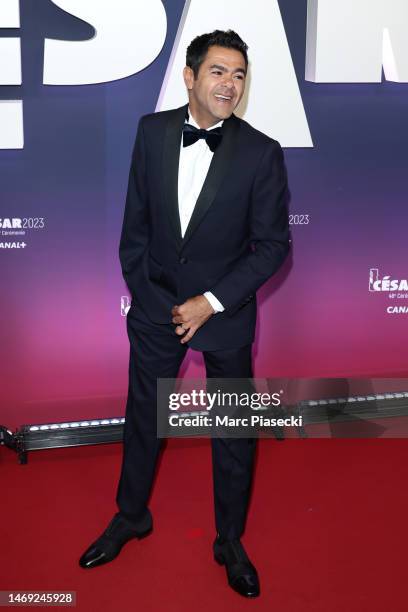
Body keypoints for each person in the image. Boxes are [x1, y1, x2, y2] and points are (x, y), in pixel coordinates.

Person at [79, 29, 290, 598]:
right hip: (155, 307)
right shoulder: (151, 134)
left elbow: (273, 247)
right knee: (143, 418)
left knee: (233, 431)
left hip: (224, 313)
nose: (230, 85)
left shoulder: (262, 152)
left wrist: (211, 303)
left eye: (240, 75)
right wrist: (153, 301)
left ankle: (229, 540)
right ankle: (130, 517)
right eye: (219, 71)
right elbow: (135, 230)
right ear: (191, 77)